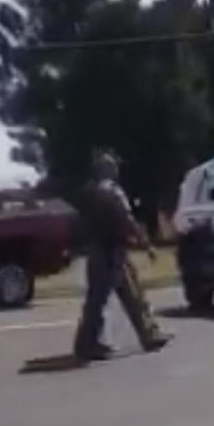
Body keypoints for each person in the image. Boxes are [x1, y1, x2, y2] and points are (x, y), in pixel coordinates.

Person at [73, 151, 172, 361]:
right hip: (112, 253)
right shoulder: (114, 192)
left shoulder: (89, 193)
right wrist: (146, 245)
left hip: (98, 251)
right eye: (114, 166)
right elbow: (128, 220)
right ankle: (89, 345)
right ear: (108, 170)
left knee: (104, 300)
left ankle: (146, 336)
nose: (117, 169)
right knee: (125, 297)